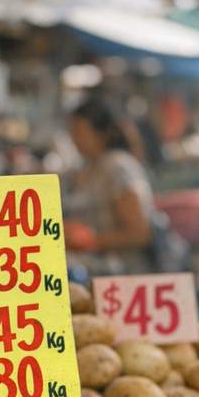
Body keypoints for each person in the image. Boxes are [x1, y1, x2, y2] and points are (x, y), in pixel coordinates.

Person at [64, 97, 155, 276]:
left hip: (123, 277)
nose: (74, 139)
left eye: (79, 131)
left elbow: (138, 233)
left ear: (100, 133)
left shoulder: (118, 167)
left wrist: (89, 240)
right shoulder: (90, 167)